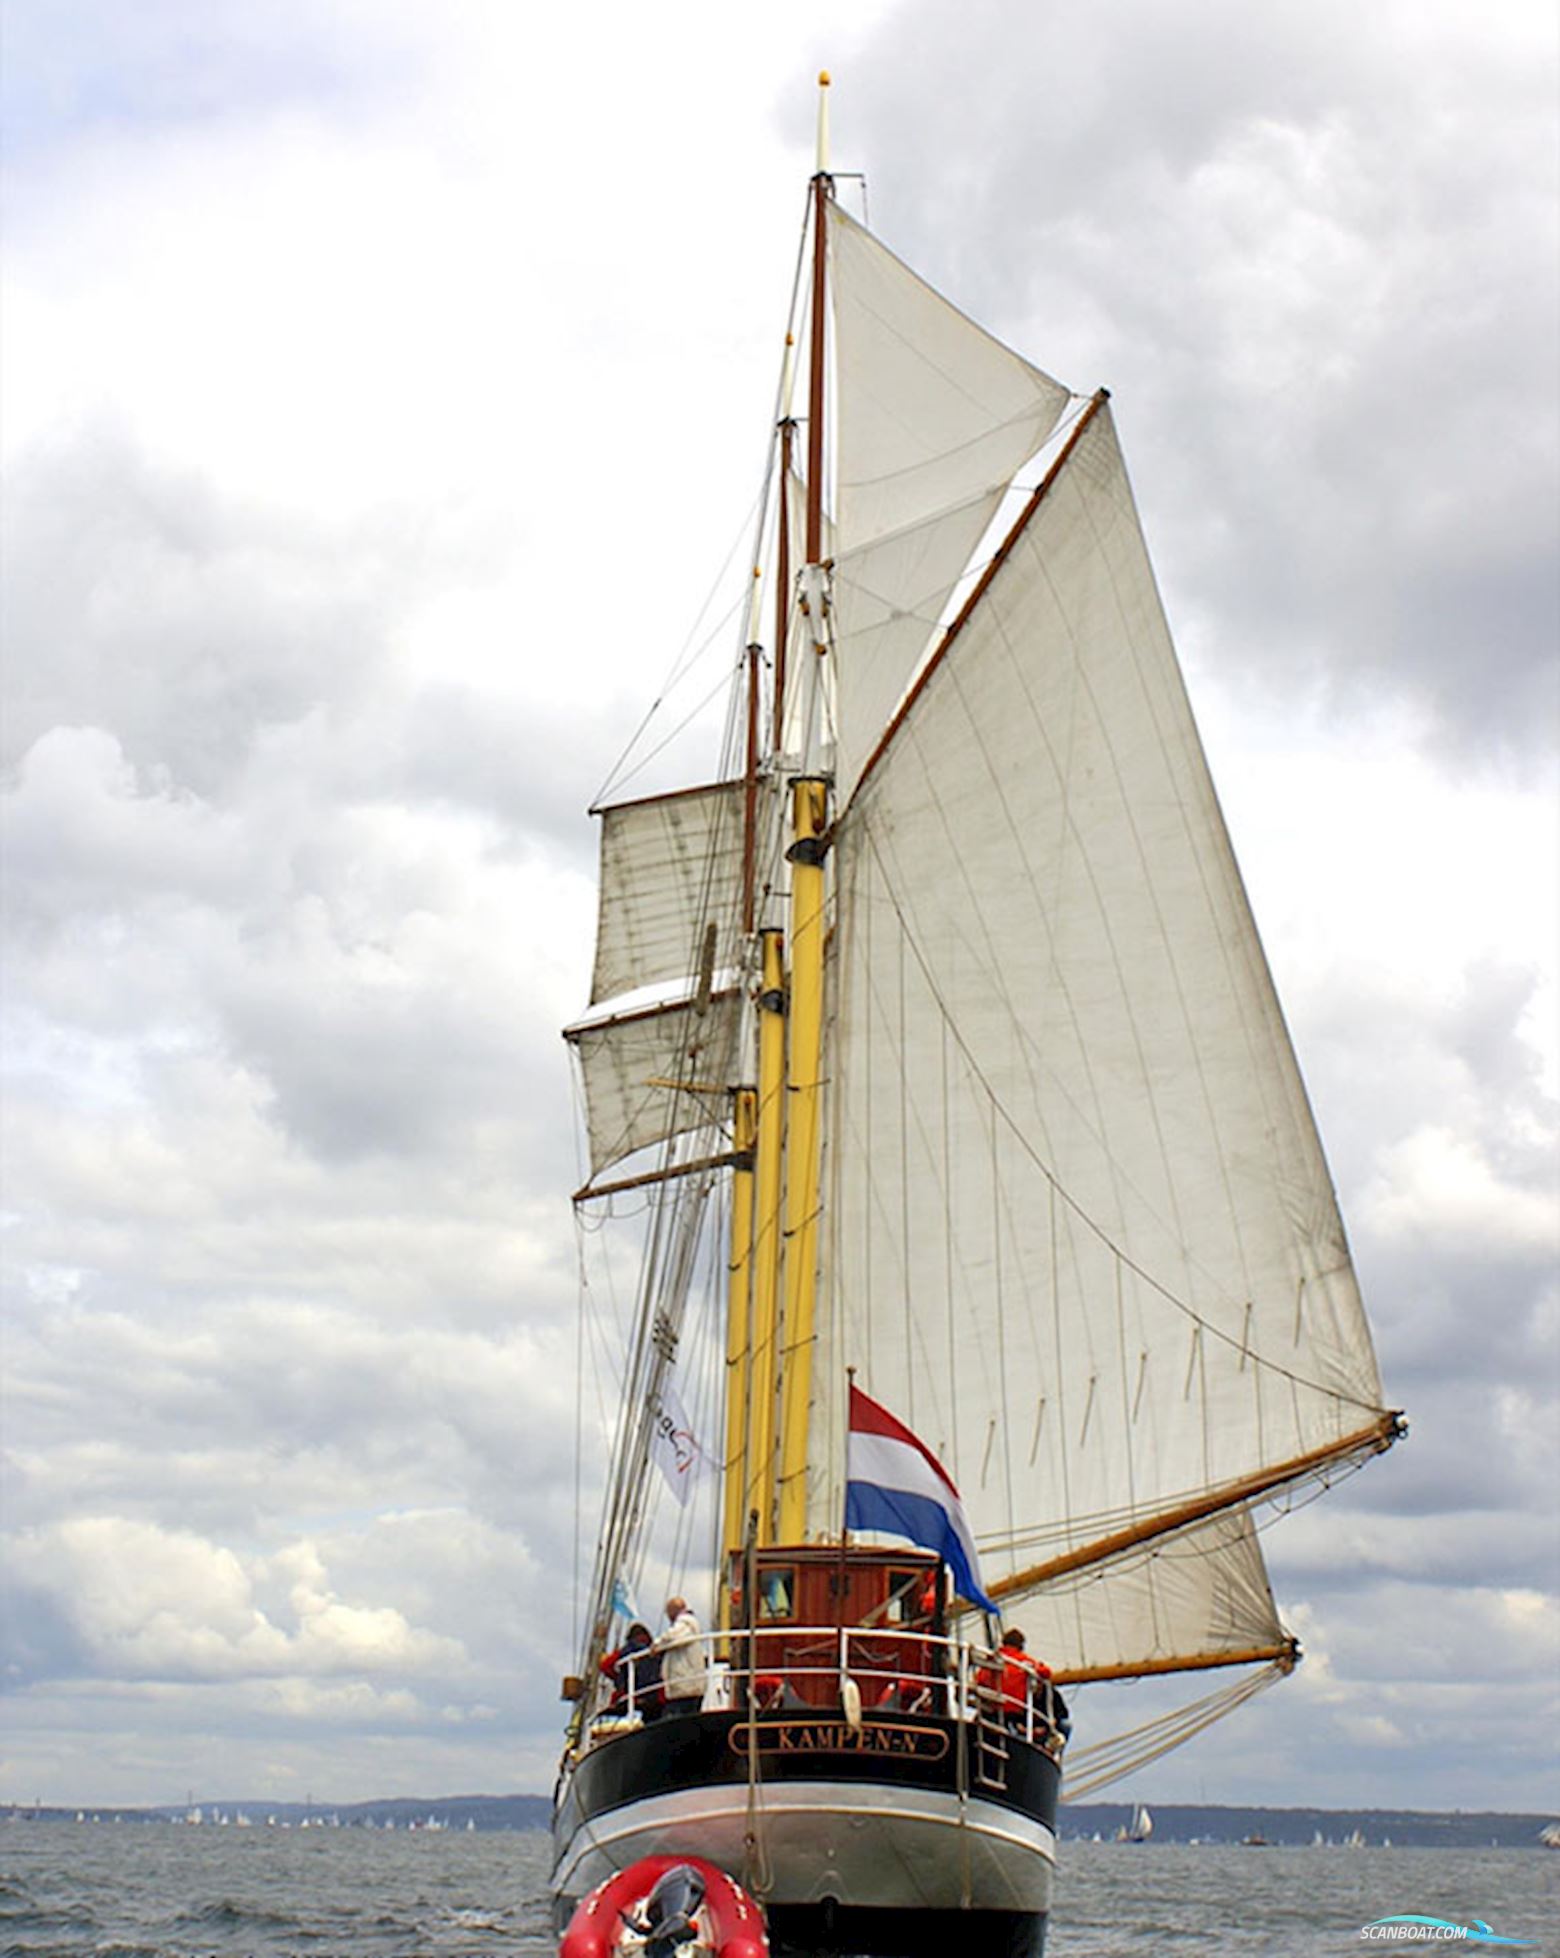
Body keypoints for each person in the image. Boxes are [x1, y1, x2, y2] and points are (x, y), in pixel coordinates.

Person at [649, 1596, 705, 1719]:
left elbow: (672, 1637)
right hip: (686, 1687)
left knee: (677, 1719)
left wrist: (657, 1645)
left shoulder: (686, 1624)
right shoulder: (689, 1625)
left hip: (685, 1688)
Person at [598, 1622, 658, 1714]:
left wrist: (617, 1677)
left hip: (630, 1693)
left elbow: (605, 1666)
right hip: (654, 1694)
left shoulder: (627, 1650)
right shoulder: (655, 1651)